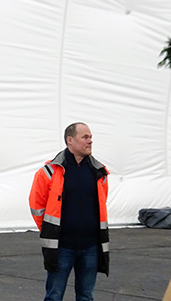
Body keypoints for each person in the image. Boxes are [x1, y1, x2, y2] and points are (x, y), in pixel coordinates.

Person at [28, 122, 110, 301]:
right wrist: (51, 230)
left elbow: (102, 203)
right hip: (62, 246)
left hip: (91, 246)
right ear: (70, 140)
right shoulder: (48, 172)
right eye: (85, 137)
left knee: (86, 296)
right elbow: (36, 206)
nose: (90, 141)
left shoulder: (99, 171)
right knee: (54, 296)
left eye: (90, 137)